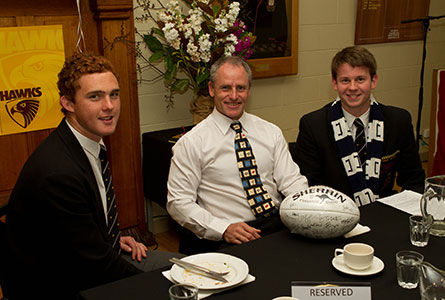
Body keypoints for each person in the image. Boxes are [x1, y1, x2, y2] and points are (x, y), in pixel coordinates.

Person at [5, 52, 182, 299]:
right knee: (184, 284)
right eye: (95, 97)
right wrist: (162, 286)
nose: (109, 105)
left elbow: (78, 232)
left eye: (114, 94)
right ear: (68, 103)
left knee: (191, 268)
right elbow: (96, 269)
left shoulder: (84, 144)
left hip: (88, 260)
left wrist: (109, 238)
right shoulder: (58, 173)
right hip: (57, 286)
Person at [167, 56, 308, 254]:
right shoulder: (192, 143)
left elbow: (292, 181)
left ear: (249, 90)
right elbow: (178, 203)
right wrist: (223, 229)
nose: (234, 96)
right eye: (225, 88)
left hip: (277, 225)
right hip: (230, 234)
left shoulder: (270, 131)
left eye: (240, 88)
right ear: (211, 89)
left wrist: (306, 209)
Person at [294, 46, 425, 207]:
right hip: (333, 214)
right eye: (345, 80)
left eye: (360, 79)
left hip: (384, 211)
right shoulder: (313, 125)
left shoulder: (399, 120)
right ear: (335, 83)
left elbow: (413, 180)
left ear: (374, 81)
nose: (353, 87)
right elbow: (310, 189)